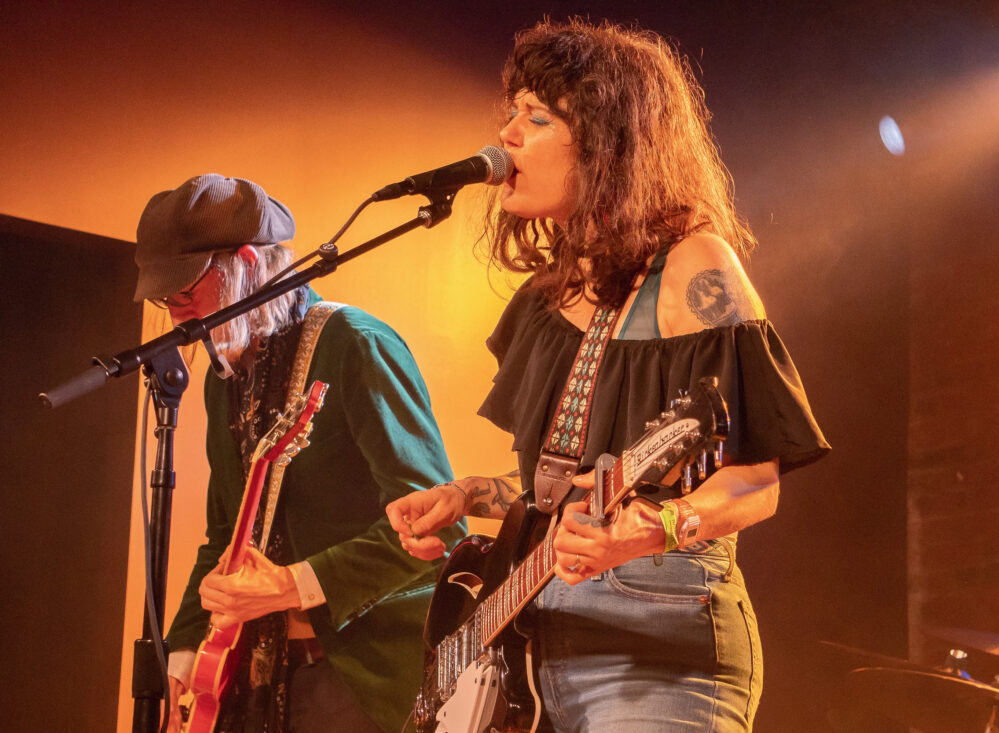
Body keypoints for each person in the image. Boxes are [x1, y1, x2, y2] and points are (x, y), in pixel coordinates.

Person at [386, 19, 830, 732]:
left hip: (658, 641)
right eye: (511, 114)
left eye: (537, 117)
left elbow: (756, 480)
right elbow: (556, 496)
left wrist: (652, 528)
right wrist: (468, 493)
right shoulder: (548, 296)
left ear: (606, 140)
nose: (508, 135)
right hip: (536, 640)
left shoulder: (695, 265)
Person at [133, 173, 463, 733]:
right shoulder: (225, 373)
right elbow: (224, 535)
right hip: (256, 676)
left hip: (358, 674)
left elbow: (435, 535)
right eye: (167, 300)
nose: (178, 318)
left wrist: (292, 585)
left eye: (186, 294)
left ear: (244, 263)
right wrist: (182, 658)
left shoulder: (355, 342)